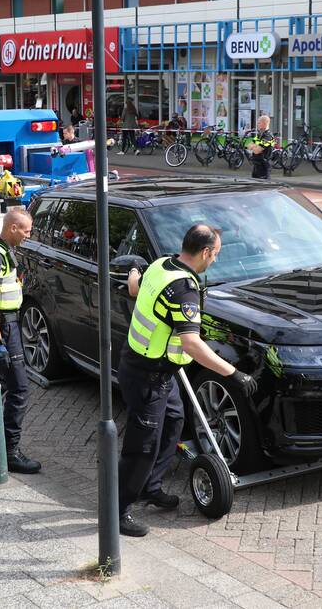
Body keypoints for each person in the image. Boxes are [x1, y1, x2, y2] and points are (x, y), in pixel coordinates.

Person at [117, 225, 257, 537]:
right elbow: (192, 343)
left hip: (158, 372)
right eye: (216, 255)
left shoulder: (161, 265)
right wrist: (233, 373)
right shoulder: (184, 290)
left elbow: (135, 290)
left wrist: (134, 271)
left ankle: (150, 487)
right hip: (146, 375)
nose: (215, 261)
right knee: (142, 446)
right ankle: (119, 511)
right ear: (205, 252)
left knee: (174, 422)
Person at [0, 207, 42, 474]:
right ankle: (10, 451)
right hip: (3, 325)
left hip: (6, 324)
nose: (28, 235)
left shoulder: (4, 251)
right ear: (12, 228)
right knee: (20, 388)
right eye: (26, 230)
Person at [247, 114, 276, 180]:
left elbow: (256, 151)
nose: (257, 124)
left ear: (265, 123)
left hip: (263, 166)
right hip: (256, 165)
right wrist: (256, 146)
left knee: (263, 187)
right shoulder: (260, 135)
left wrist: (254, 146)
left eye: (259, 123)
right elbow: (248, 146)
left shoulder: (268, 136)